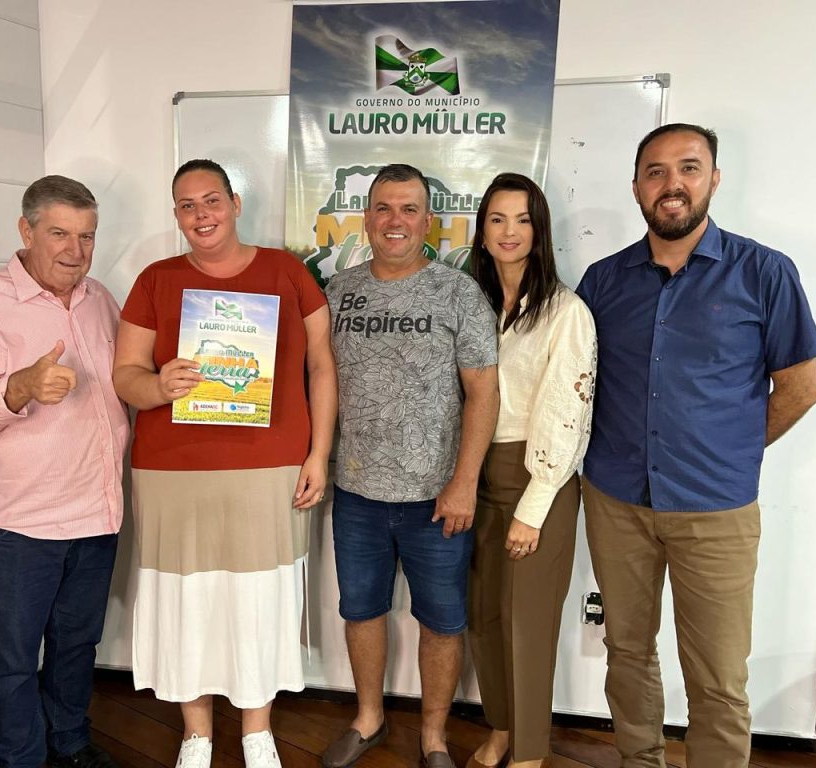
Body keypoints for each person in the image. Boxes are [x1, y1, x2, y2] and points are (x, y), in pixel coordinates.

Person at [576, 123, 816, 768]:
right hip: (617, 500)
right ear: (636, 187)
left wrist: (731, 449)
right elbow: (574, 382)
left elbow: (800, 388)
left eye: (688, 168)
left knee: (717, 672)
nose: (672, 184)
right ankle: (640, 759)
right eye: (655, 171)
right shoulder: (603, 281)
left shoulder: (765, 272)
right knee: (627, 651)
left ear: (713, 179)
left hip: (716, 508)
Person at [113, 159, 337, 768]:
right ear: (176, 215)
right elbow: (125, 375)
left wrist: (318, 453)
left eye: (211, 200)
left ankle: (257, 731)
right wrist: (158, 386)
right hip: (173, 470)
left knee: (258, 597)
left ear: (235, 204)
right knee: (187, 599)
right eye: (187, 205)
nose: (201, 214)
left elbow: (322, 365)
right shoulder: (155, 280)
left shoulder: (287, 272)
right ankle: (197, 734)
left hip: (270, 465)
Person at [0, 175, 129, 768]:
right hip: (20, 525)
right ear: (26, 230)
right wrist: (19, 386)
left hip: (97, 513)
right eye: (59, 234)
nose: (75, 250)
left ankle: (70, 742)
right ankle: (19, 758)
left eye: (87, 236)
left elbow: (124, 384)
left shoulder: (100, 299)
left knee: (77, 644)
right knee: (14, 658)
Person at [323, 163, 499, 768]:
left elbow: (483, 393)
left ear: (428, 222)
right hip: (356, 492)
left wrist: (464, 483)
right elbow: (318, 381)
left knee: (443, 622)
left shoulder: (459, 294)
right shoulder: (338, 292)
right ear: (366, 218)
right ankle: (368, 718)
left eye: (408, 209)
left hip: (438, 497)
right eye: (382, 208)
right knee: (360, 611)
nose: (394, 221)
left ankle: (434, 738)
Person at [464, 173, 596, 768]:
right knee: (484, 617)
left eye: (522, 220)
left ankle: (530, 751)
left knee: (528, 624)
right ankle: (500, 726)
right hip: (477, 473)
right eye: (497, 219)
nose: (509, 231)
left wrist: (535, 505)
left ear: (539, 231)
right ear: (482, 231)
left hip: (539, 476)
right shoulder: (473, 303)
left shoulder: (565, 311)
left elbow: (569, 412)